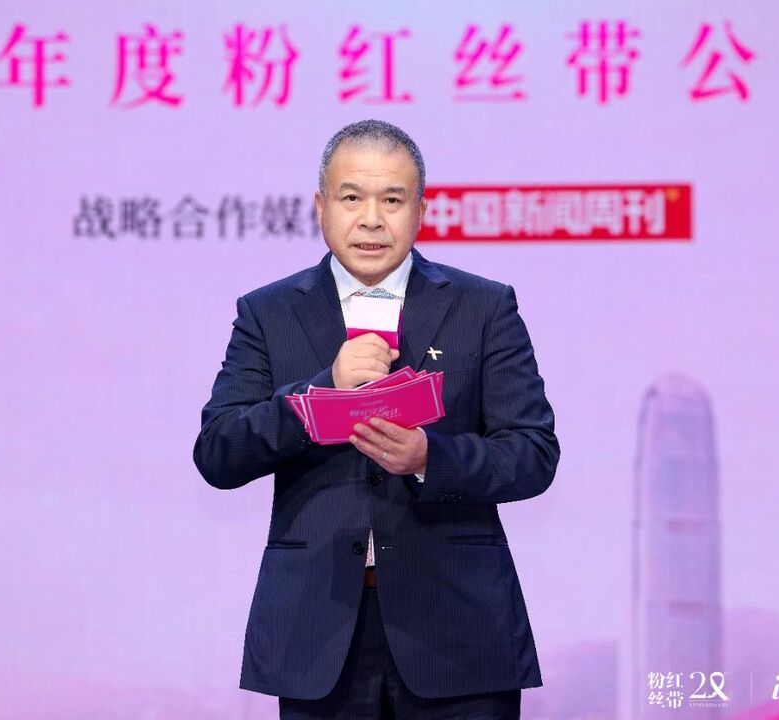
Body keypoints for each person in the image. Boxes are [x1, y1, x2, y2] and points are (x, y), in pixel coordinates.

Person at [193, 119, 559, 719]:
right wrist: (320, 394)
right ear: (320, 208)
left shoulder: (484, 306)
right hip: (319, 632)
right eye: (351, 198)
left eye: (392, 200)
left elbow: (533, 453)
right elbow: (218, 453)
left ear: (420, 211)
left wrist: (430, 458)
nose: (371, 220)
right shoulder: (268, 312)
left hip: (457, 629)